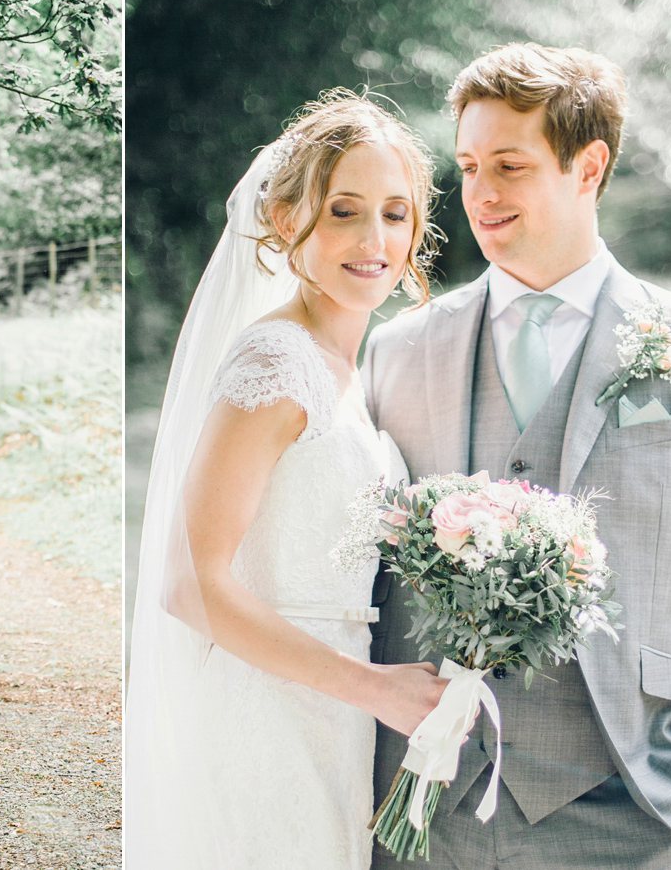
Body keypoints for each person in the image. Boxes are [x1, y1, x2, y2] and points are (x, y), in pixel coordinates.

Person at [364, 43, 671, 869]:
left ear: (587, 167)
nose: (480, 194)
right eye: (467, 165)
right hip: (425, 804)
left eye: (510, 166)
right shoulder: (397, 350)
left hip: (631, 798)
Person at [124, 91, 450, 869]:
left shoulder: (348, 368)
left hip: (330, 715)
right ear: (281, 219)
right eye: (344, 211)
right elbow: (189, 584)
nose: (375, 240)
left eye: (396, 214)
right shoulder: (275, 365)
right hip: (264, 714)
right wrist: (375, 690)